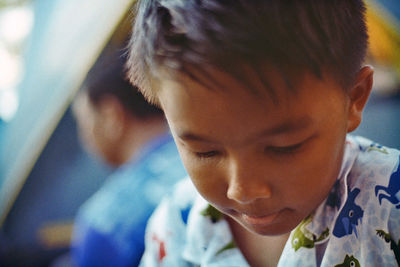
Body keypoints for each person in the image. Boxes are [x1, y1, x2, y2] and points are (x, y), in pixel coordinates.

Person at [125, 0, 400, 266]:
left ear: (354, 98)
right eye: (205, 151)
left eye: (284, 147)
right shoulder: (176, 227)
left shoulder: (392, 207)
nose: (244, 191)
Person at [71, 54, 187, 267]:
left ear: (111, 116)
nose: (85, 140)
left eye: (84, 123)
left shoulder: (106, 222)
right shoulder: (219, 158)